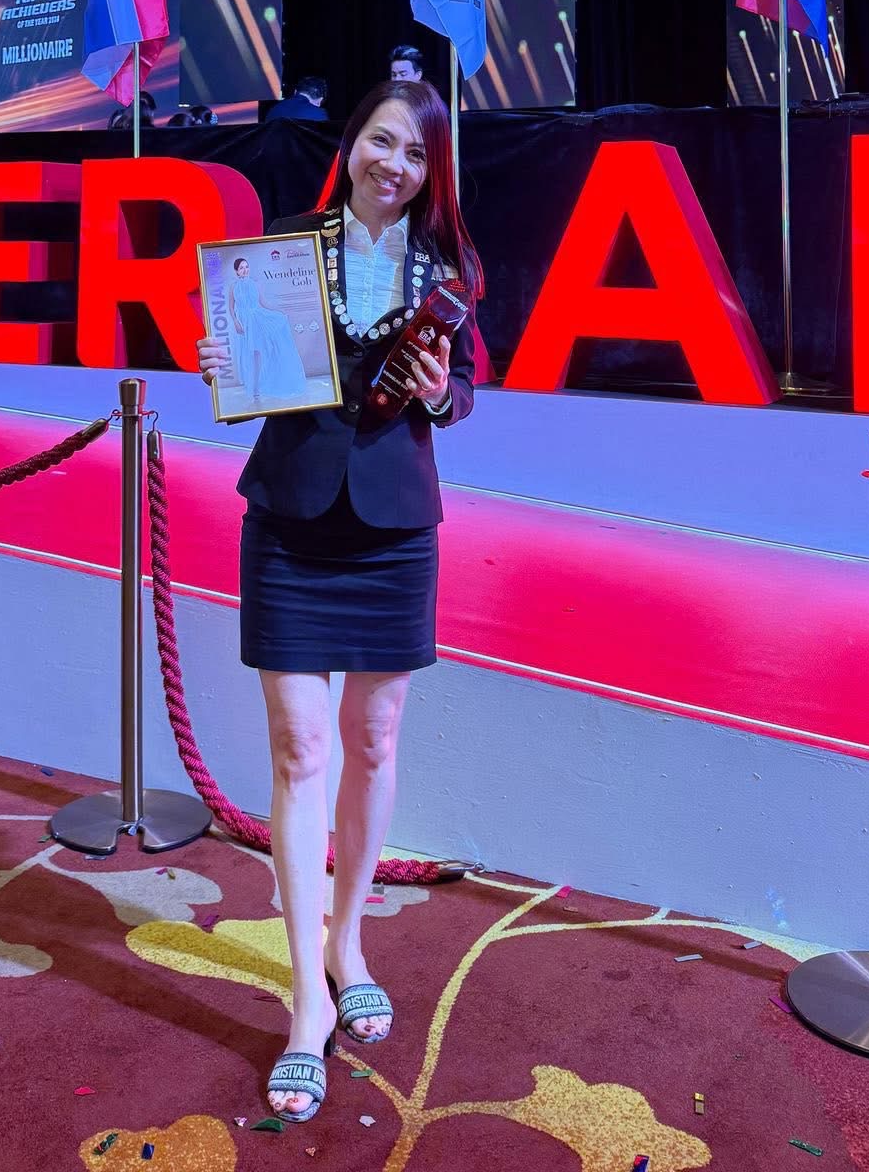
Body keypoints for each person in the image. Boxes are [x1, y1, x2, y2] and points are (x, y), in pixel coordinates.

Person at [196, 80, 482, 1124]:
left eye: (415, 153)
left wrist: (441, 389)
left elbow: (463, 392)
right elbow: (252, 368)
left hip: (394, 527)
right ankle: (307, 996)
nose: (393, 164)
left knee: (372, 738)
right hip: (290, 515)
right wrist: (225, 360)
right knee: (299, 749)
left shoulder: (448, 270)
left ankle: (348, 941)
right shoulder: (283, 248)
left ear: (429, 171)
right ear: (352, 143)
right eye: (380, 141)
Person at [226, 254, 308, 405]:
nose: (245, 270)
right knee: (248, 354)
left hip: (257, 320)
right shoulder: (233, 287)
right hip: (244, 323)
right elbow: (231, 307)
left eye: (246, 267)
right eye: (241, 268)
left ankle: (259, 388)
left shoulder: (255, 284)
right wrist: (236, 322)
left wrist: (279, 312)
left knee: (258, 352)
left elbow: (263, 303)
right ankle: (252, 388)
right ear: (236, 271)